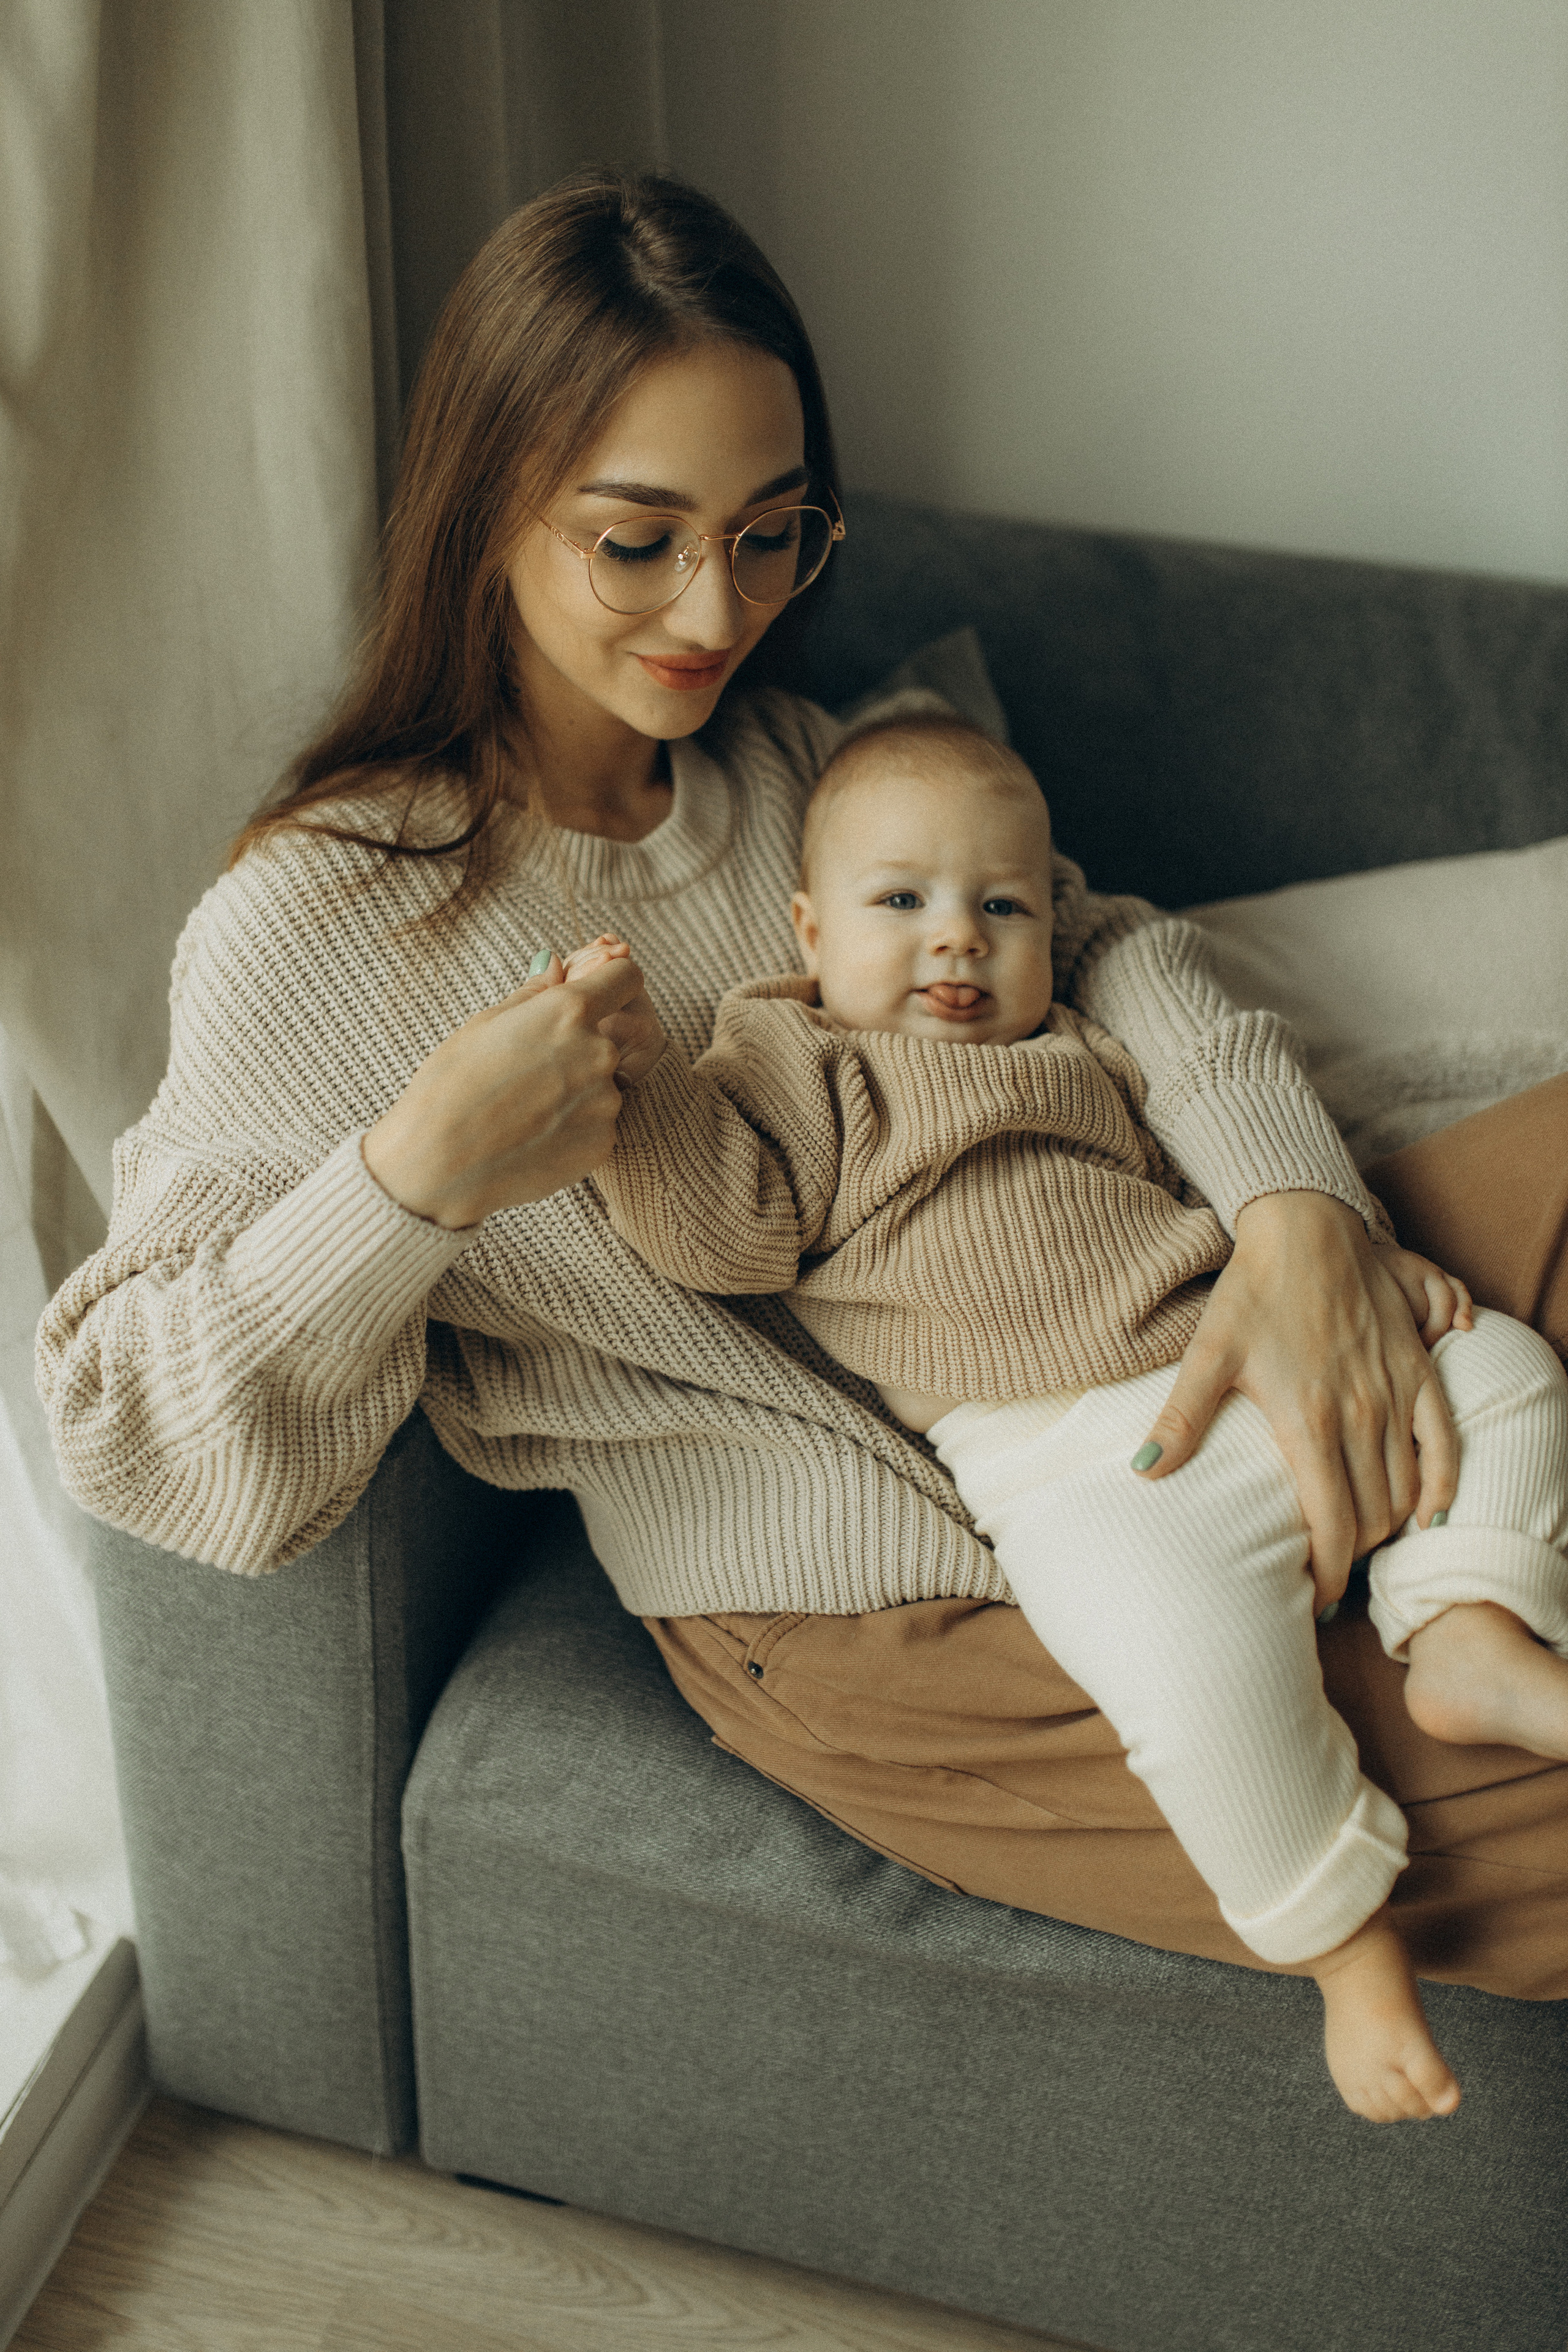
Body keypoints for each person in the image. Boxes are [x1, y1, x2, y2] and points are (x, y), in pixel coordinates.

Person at [37, 170, 1568, 2088]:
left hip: (1144, 1328)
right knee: (1494, 1811)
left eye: (771, 536)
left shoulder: (787, 762)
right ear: (487, 507)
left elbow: (1107, 942)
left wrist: (1292, 1213)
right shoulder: (320, 922)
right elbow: (138, 1434)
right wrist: (408, 1181)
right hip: (868, 1598)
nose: (718, 612)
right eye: (639, 543)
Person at [568, 712, 1568, 2120]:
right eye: (900, 901)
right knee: (1182, 1681)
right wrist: (639, 1088)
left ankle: (1467, 1629)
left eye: (1002, 908)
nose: (956, 938)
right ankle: (1345, 1951)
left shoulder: (1081, 1040)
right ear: (808, 929)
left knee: (1496, 1370)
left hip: (1234, 1352)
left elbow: (1222, 1149)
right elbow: (721, 1232)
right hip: (1081, 1463)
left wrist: (1348, 1246)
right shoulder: (794, 1063)